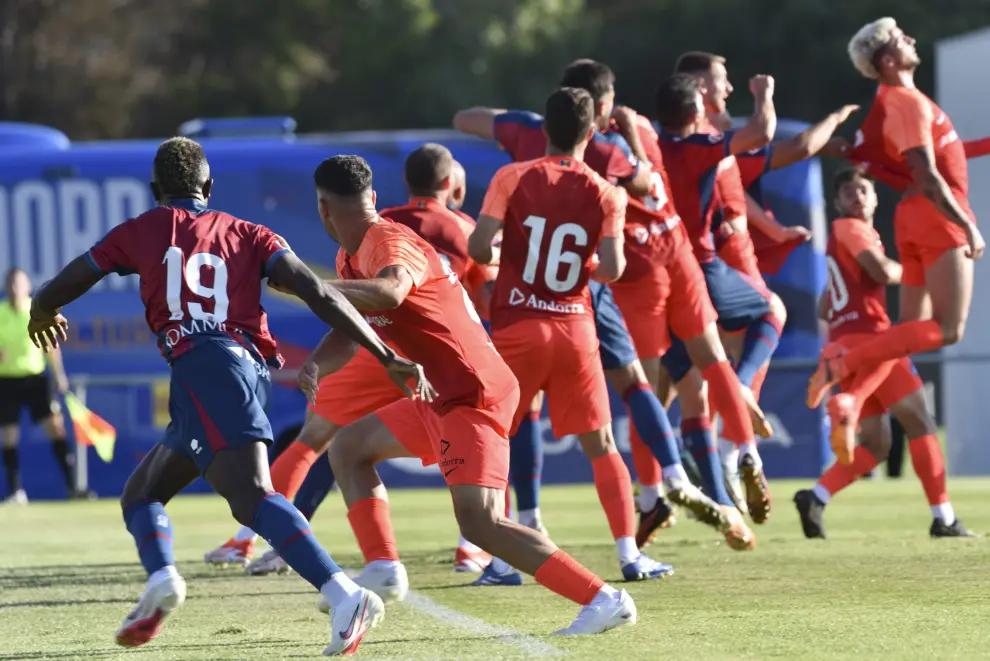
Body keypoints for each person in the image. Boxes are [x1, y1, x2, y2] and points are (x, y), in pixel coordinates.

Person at [25, 137, 433, 655]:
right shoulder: (252, 233)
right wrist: (383, 351)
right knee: (142, 493)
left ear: (156, 192)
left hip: (204, 367)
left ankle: (344, 593)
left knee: (252, 498)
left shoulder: (140, 230)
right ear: (209, 188)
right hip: (236, 371)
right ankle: (162, 581)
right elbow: (318, 291)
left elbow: (64, 283)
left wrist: (42, 312)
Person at [307, 149, 638, 636]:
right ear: (372, 197)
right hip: (435, 394)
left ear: (322, 208)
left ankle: (605, 598)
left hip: (472, 392)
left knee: (480, 522)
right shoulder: (349, 256)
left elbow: (391, 291)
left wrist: (309, 286)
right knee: (351, 447)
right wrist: (317, 361)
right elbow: (349, 326)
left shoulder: (388, 239)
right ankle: (382, 568)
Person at [205, 144, 495, 576]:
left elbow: (391, 290)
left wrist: (314, 287)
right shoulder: (461, 227)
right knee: (460, 438)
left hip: (380, 344)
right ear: (451, 184)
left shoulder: (382, 228)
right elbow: (482, 296)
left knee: (317, 437)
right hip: (423, 350)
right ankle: (469, 548)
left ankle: (256, 539)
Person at [454, 58, 679, 547]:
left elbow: (477, 248)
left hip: (517, 322)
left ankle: (499, 554)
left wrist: (511, 251)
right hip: (576, 324)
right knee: (601, 444)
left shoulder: (512, 176)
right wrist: (578, 267)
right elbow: (613, 268)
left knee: (497, 435)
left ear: (544, 127)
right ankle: (629, 553)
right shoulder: (606, 192)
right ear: (592, 128)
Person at [672, 51, 858, 512]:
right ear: (698, 86)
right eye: (721, 79)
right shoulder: (704, 144)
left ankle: (695, 477)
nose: (729, 87)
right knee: (754, 337)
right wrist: (774, 98)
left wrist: (774, 230)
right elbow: (786, 144)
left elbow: (736, 190)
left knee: (691, 381)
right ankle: (722, 461)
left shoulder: (709, 145)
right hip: (716, 262)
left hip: (692, 265)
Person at [808, 17, 985, 411]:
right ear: (888, 60)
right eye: (902, 38)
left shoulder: (899, 100)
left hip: (914, 214)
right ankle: (843, 365)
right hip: (934, 216)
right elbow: (926, 172)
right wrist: (966, 225)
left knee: (910, 329)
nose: (912, 38)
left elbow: (946, 151)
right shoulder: (905, 102)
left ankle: (852, 399)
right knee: (948, 330)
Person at [794, 167, 972, 539]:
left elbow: (826, 308)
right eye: (848, 192)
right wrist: (917, 268)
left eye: (862, 189)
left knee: (876, 445)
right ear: (837, 203)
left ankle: (816, 496)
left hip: (842, 343)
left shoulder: (843, 236)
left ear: (875, 197)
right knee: (921, 423)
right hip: (873, 342)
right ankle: (944, 519)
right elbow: (877, 270)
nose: (856, 196)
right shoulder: (853, 230)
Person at [0, 268, 89, 503]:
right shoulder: (0, 313)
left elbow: (51, 345)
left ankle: (73, 487)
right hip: (7, 382)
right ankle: (15, 492)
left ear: (27, 286)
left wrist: (59, 375)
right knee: (9, 437)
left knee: (57, 430)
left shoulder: (37, 310)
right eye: (10, 283)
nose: (14, 287)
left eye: (18, 283)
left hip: (36, 380)